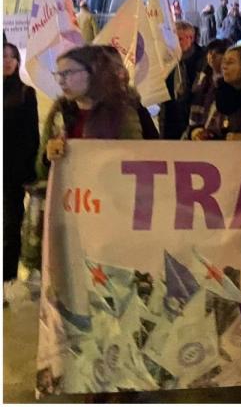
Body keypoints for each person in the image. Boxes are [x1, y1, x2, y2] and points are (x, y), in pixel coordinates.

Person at [38, 45, 145, 179]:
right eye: (58, 75)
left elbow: (136, 163)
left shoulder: (119, 111)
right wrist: (48, 159)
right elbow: (41, 172)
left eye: (68, 73)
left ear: (93, 73)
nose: (61, 81)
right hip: (69, 196)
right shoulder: (60, 112)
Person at [4, 44, 38, 290]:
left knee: (10, 223)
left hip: (12, 171)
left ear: (17, 62)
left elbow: (32, 137)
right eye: (2, 57)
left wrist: (30, 172)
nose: (6, 61)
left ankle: (7, 278)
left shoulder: (26, 93)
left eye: (11, 57)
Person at [159, 22, 205, 140]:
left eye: (179, 39)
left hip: (193, 116)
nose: (175, 43)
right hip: (170, 116)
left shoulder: (203, 59)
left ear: (191, 38)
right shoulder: (166, 59)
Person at [187, 39, 230, 136]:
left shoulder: (229, 81)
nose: (211, 57)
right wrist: (195, 128)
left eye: (216, 53)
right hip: (199, 128)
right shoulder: (203, 77)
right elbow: (196, 102)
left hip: (217, 132)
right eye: (209, 53)